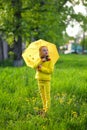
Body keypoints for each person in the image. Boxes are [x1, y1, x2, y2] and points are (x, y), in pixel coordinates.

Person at [34, 46, 54, 113]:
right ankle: (44, 108)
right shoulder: (39, 59)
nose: (46, 52)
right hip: (39, 80)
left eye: (47, 50)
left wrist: (42, 68)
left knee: (47, 96)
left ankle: (47, 110)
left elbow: (50, 71)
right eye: (44, 50)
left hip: (46, 81)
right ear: (40, 52)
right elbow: (34, 66)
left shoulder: (50, 60)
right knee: (42, 96)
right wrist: (41, 61)